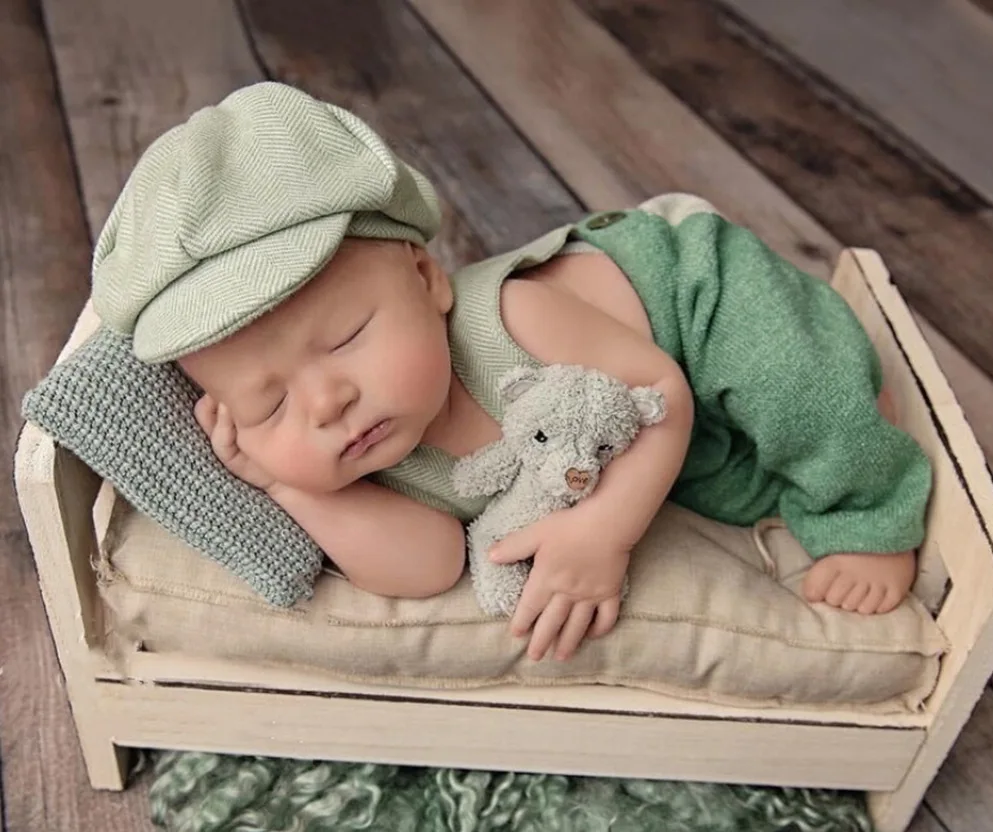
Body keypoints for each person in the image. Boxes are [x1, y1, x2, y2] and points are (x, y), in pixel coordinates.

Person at [92, 82, 932, 664]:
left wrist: (602, 532)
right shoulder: (373, 458)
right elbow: (426, 566)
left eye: (346, 335)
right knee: (732, 481)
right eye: (267, 403)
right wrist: (294, 487)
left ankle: (869, 501)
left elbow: (661, 397)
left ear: (425, 281)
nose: (325, 403)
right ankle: (838, 409)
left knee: (784, 375)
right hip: (644, 431)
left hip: (689, 308)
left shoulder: (511, 317)